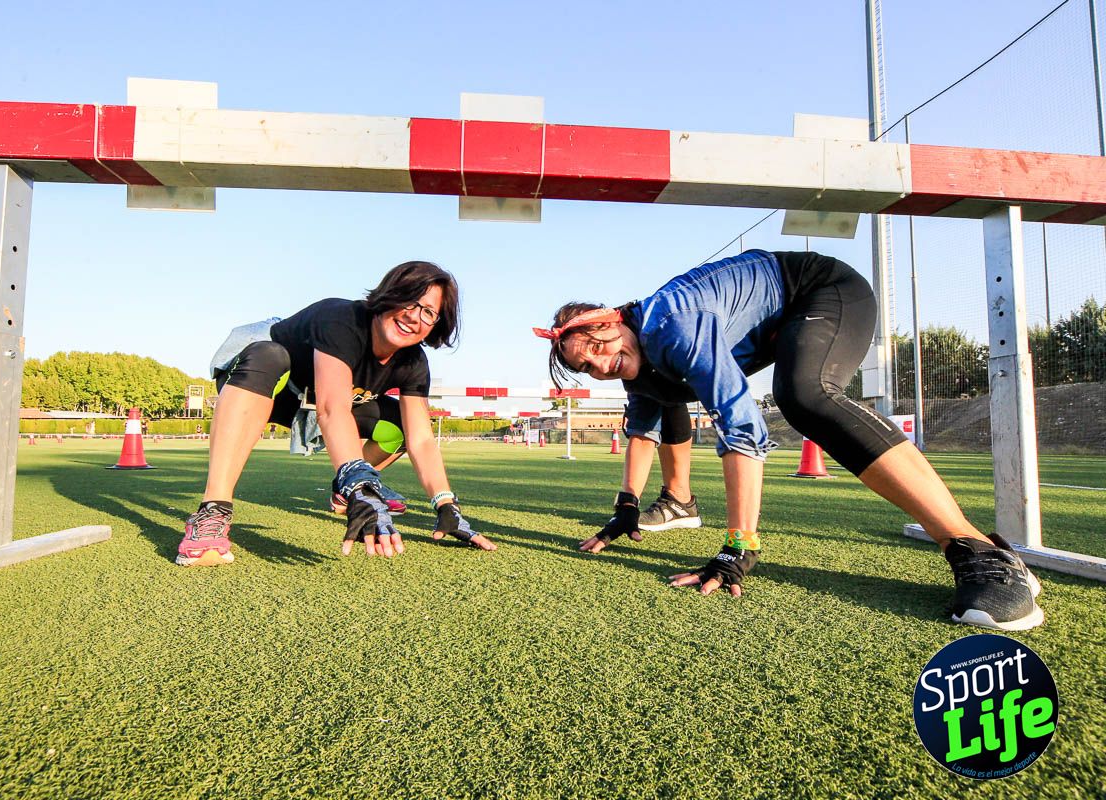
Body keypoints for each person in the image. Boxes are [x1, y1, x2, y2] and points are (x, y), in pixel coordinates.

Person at [535, 250, 1043, 631]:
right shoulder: (638, 359)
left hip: (823, 290)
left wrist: (739, 546)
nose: (599, 363)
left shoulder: (672, 326)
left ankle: (978, 551)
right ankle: (679, 502)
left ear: (612, 320)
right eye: (586, 366)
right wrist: (626, 505)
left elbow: (741, 426)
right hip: (781, 323)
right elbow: (642, 428)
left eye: (597, 345)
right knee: (667, 392)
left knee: (804, 395)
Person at [178, 260, 497, 567]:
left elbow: (422, 439)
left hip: (326, 402)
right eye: (409, 301)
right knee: (268, 355)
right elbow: (332, 409)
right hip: (265, 384)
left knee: (401, 424)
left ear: (436, 324)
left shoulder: (413, 362)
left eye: (428, 312)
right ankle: (213, 510)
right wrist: (358, 480)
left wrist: (445, 503)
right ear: (388, 295)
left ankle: (344, 489)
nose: (414, 316)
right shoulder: (342, 319)